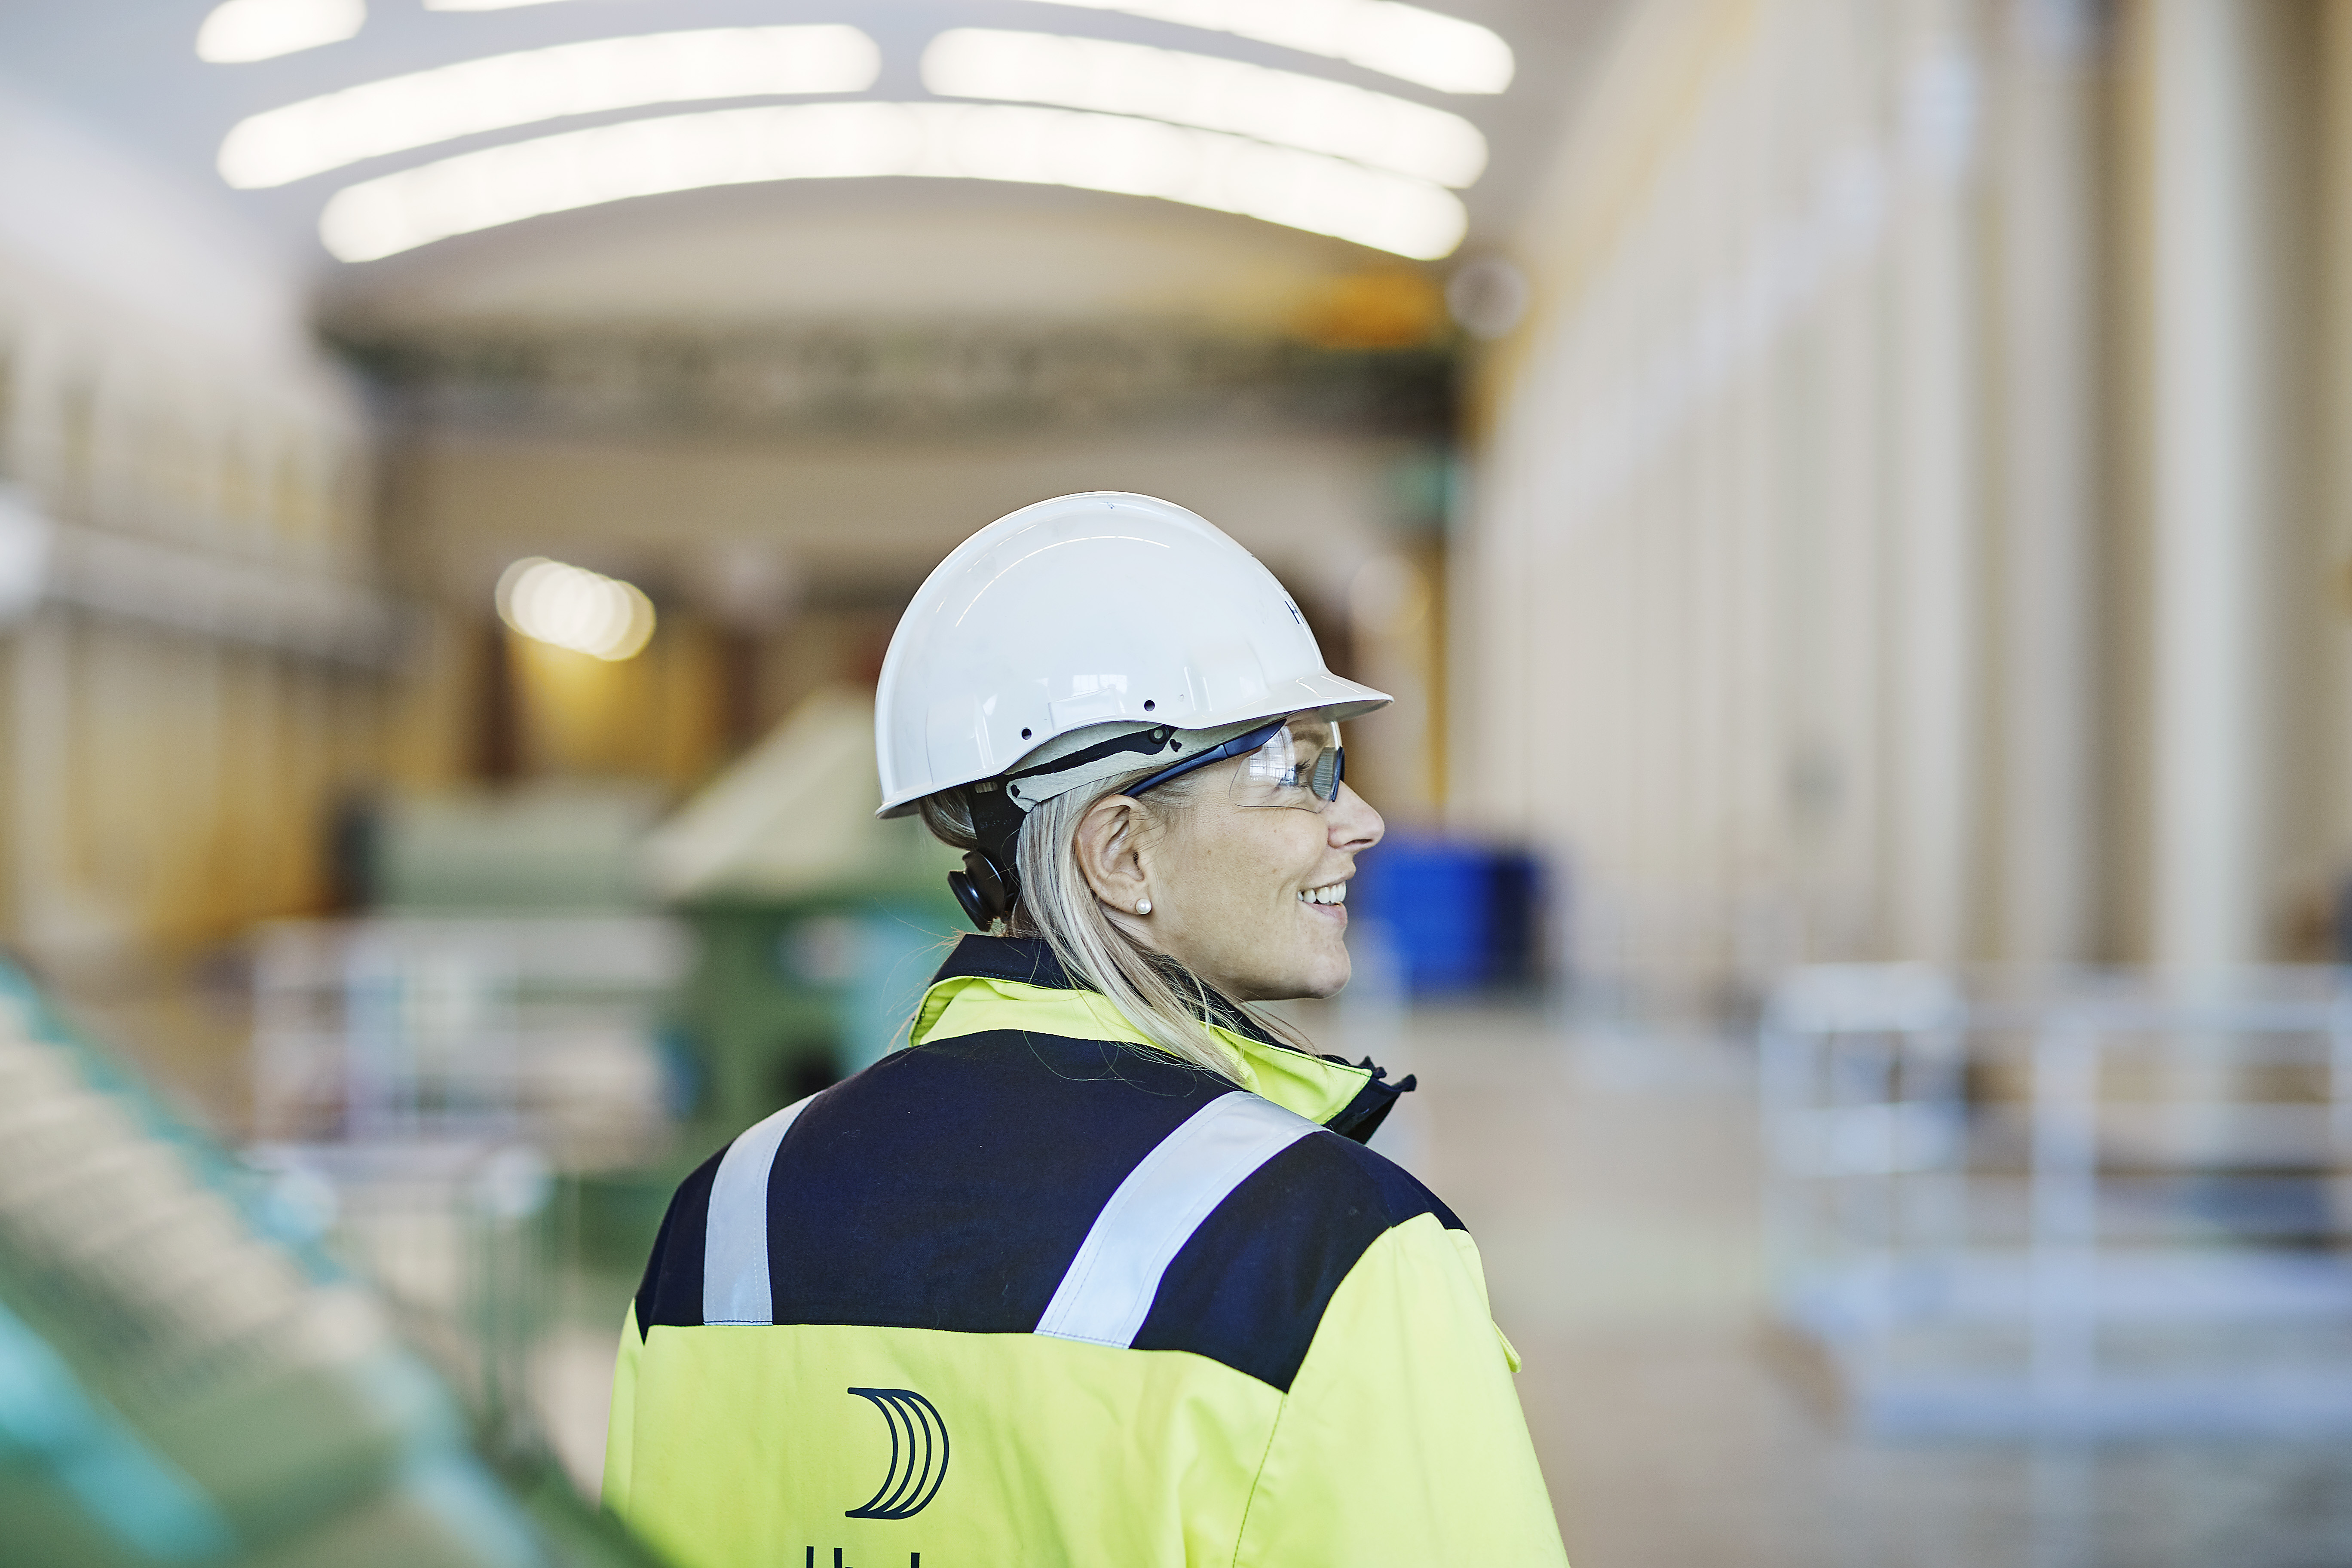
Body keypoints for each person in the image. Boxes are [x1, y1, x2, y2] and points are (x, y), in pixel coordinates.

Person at [603, 493, 1567, 1566]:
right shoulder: (1338, 1251)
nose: (1359, 820)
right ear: (1122, 855)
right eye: (1299, 772)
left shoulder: (721, 1230)